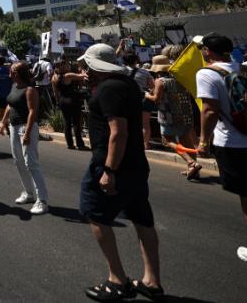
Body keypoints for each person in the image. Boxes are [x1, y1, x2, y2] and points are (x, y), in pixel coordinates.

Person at [77, 44, 162, 302]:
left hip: (113, 165)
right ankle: (151, 282)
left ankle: (117, 280)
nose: (84, 70)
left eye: (87, 65)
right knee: (141, 218)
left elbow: (118, 132)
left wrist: (109, 170)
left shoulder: (108, 89)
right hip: (136, 164)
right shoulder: (128, 85)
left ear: (96, 66)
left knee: (95, 214)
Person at [196, 33, 247, 273]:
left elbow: (209, 111)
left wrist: (202, 142)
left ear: (208, 51)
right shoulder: (246, 68)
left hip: (234, 146)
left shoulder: (207, 73)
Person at [0, 63, 49, 215]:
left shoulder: (30, 89)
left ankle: (43, 200)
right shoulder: (15, 86)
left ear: (19, 73)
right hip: (14, 127)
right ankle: (28, 193)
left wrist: (26, 133)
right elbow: (9, 105)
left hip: (25, 128)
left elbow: (33, 112)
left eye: (12, 72)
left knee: (31, 163)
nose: (9, 74)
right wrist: (3, 122)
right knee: (18, 161)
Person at [149, 54, 200, 180]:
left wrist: (146, 95)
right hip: (185, 113)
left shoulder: (160, 81)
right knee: (186, 141)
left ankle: (191, 163)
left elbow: (156, 98)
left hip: (169, 116)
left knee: (166, 140)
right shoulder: (179, 79)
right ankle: (194, 170)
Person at [53, 61, 88, 150]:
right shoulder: (68, 75)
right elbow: (82, 77)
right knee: (76, 122)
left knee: (66, 122)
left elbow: (55, 93)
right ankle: (80, 144)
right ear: (63, 66)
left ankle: (69, 144)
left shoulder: (54, 77)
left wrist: (57, 102)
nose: (69, 66)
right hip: (72, 100)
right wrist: (83, 70)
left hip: (62, 100)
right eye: (67, 64)